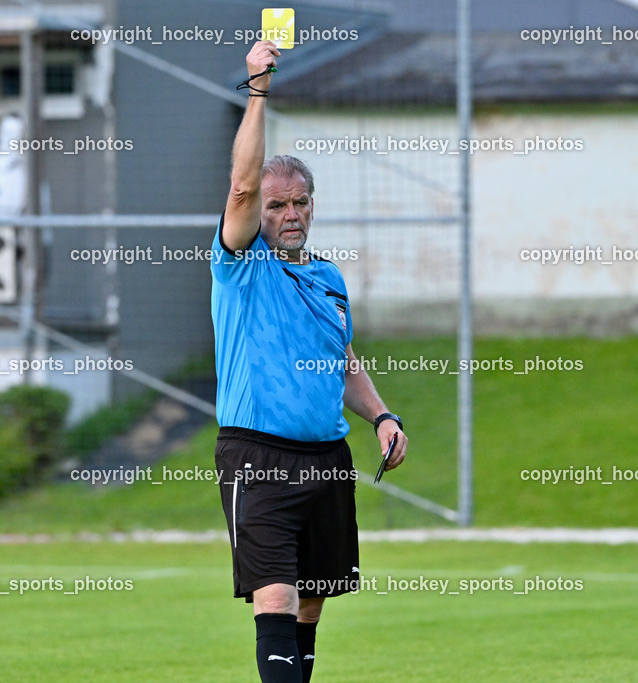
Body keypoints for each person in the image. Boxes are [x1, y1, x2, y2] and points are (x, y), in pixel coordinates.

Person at [211, 41, 408, 683]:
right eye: (276, 205)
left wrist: (381, 415)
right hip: (257, 455)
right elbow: (242, 183)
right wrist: (259, 89)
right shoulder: (239, 265)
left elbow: (342, 359)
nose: (289, 213)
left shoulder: (327, 278)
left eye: (299, 202)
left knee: (311, 604)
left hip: (327, 457)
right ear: (258, 214)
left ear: (312, 206)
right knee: (274, 596)